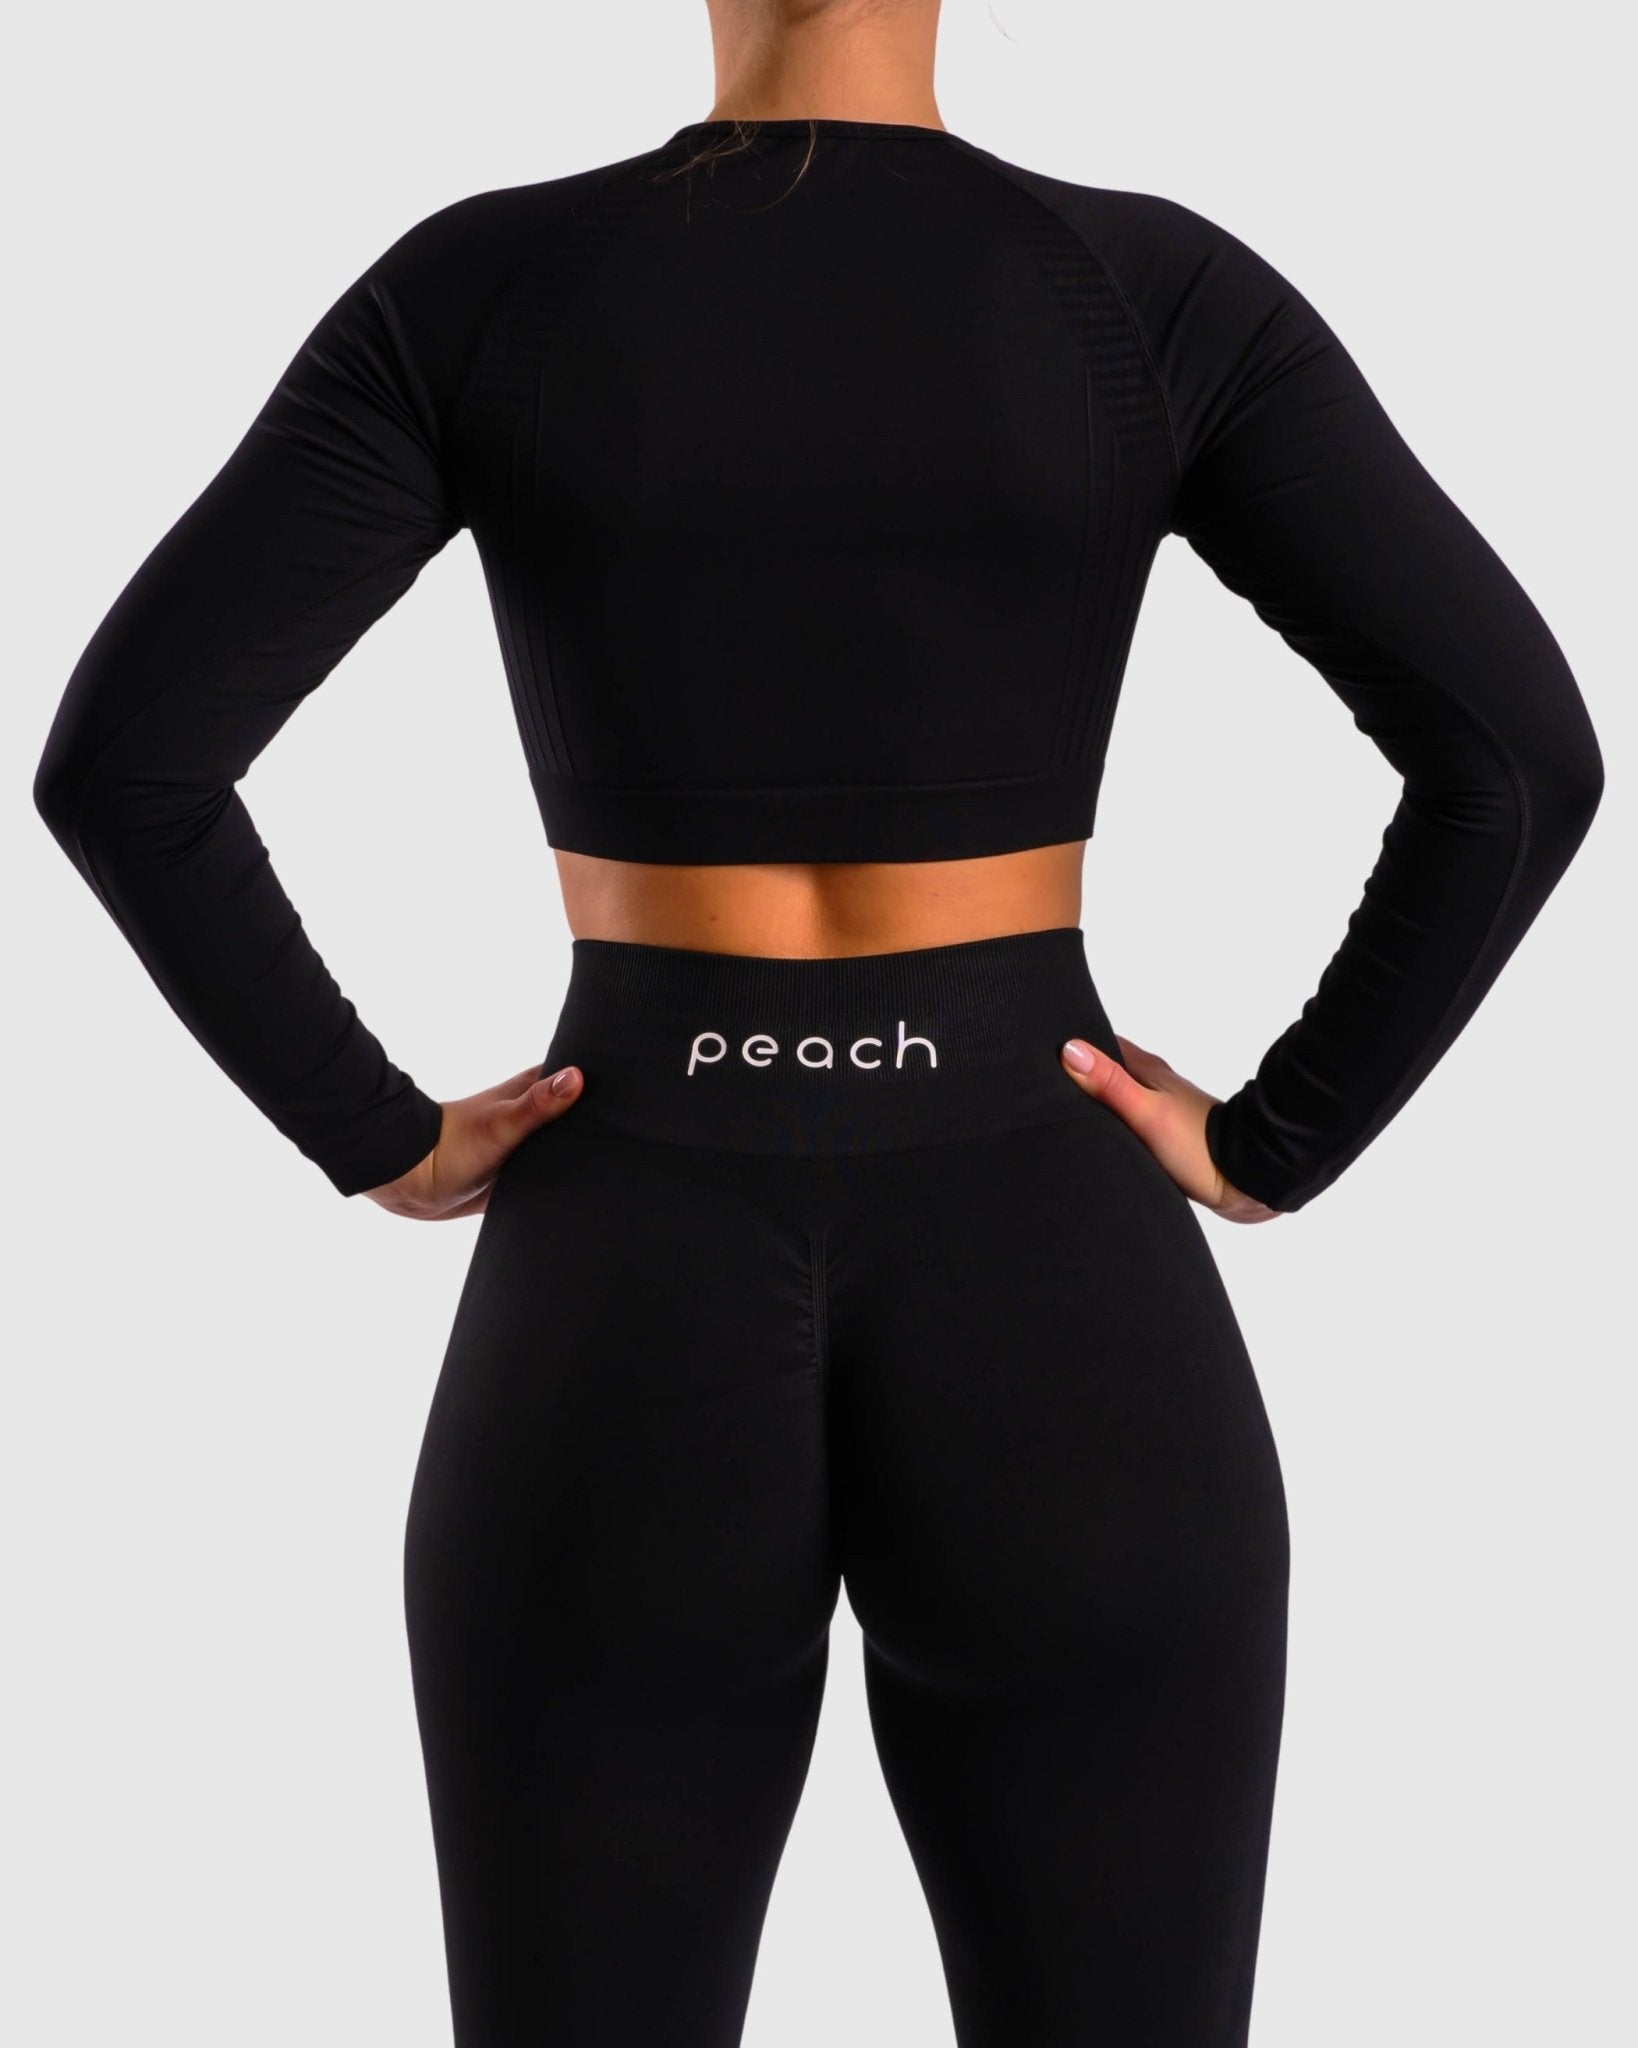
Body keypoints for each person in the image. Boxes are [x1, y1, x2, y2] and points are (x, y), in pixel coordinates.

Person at [31, 0, 1604, 2042]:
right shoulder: (1145, 290)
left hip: (624, 1262)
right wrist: (1274, 1138)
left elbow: (129, 769)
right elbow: (1514, 759)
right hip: (1054, 1269)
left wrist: (378, 1131)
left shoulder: (484, 286)